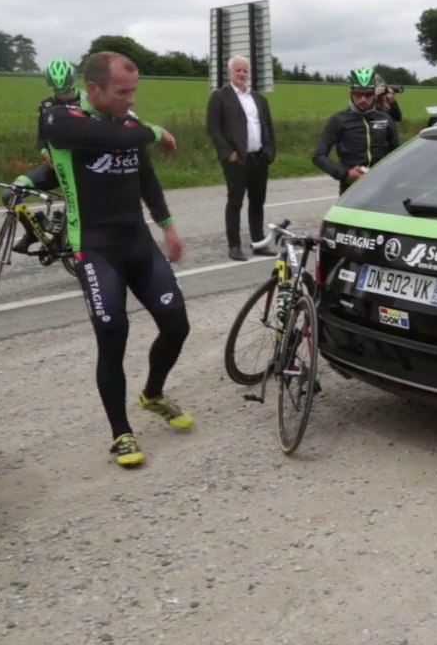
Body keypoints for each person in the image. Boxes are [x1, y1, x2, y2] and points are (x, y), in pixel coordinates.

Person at [41, 51, 192, 468]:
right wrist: (153, 130)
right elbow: (115, 139)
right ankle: (121, 433)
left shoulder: (130, 124)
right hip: (95, 247)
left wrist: (168, 224)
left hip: (137, 242)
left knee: (177, 325)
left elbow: (146, 176)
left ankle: (153, 394)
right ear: (94, 89)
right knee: (113, 333)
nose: (130, 99)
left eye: (134, 91)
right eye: (122, 92)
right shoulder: (61, 121)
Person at [206, 55, 278, 261]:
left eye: (245, 70)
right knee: (235, 202)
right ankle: (234, 246)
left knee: (257, 202)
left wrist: (270, 151)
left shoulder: (259, 99)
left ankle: (259, 243)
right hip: (236, 159)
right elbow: (213, 129)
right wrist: (228, 153)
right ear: (230, 73)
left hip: (259, 157)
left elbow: (268, 127)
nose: (242, 74)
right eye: (238, 70)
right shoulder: (220, 97)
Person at [7, 59, 79, 254]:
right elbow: (42, 136)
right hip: (54, 167)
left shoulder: (89, 102)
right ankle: (34, 233)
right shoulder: (46, 105)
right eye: (57, 91)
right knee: (11, 193)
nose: (62, 96)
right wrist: (44, 152)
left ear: (74, 83)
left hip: (82, 169)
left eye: (66, 91)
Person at [313, 67, 400, 194]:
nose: (363, 99)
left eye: (368, 94)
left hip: (382, 184)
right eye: (358, 94)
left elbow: (396, 153)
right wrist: (345, 174)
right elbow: (319, 156)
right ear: (351, 93)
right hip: (351, 186)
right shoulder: (339, 120)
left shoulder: (385, 119)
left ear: (374, 93)